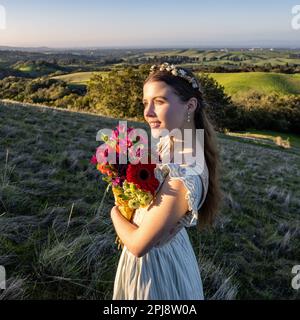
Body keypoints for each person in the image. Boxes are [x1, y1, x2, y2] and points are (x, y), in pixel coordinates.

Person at [110, 62, 222, 300]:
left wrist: (114, 212)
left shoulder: (185, 172)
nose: (147, 112)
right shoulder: (170, 142)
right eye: (145, 103)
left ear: (190, 105)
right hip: (167, 251)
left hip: (157, 269)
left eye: (159, 102)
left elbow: (139, 245)